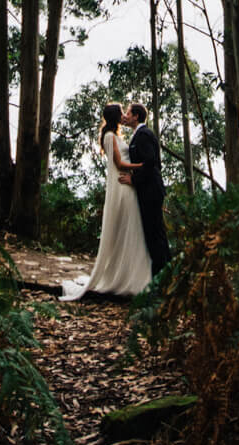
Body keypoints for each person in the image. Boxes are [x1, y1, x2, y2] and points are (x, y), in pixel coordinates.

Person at [62, 102, 152, 299]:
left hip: (128, 185)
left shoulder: (114, 136)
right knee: (129, 227)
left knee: (131, 229)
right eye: (121, 112)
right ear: (115, 117)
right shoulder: (110, 136)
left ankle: (130, 273)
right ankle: (123, 276)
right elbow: (119, 163)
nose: (124, 115)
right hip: (123, 186)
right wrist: (143, 165)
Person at [122, 102, 171, 274]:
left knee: (154, 233)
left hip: (151, 191)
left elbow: (151, 162)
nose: (125, 116)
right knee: (155, 232)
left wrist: (134, 179)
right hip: (147, 190)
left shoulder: (143, 134)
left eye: (128, 113)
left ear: (136, 116)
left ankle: (161, 276)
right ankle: (165, 274)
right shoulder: (139, 135)